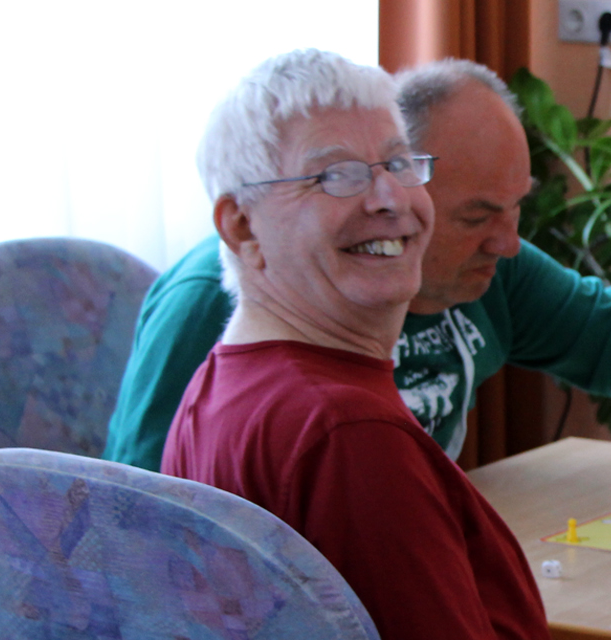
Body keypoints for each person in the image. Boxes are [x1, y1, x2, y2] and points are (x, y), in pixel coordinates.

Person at [107, 59, 611, 476]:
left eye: (515, 209)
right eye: (477, 216)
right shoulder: (224, 300)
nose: (507, 243)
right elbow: (122, 519)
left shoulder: (492, 270)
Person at [159, 50, 547, 639]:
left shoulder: (218, 386)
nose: (389, 198)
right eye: (335, 175)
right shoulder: (349, 435)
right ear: (241, 226)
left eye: (398, 162)